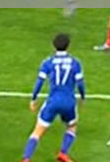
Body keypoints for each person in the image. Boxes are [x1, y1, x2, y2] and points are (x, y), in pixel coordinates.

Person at [21, 34, 86, 162]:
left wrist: (34, 98)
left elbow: (39, 82)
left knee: (37, 131)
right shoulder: (75, 63)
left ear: (53, 46)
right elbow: (80, 83)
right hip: (69, 102)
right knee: (72, 126)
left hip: (53, 101)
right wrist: (83, 97)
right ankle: (63, 153)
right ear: (68, 46)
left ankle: (27, 158)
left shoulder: (48, 62)